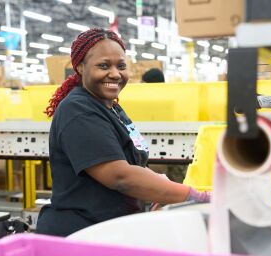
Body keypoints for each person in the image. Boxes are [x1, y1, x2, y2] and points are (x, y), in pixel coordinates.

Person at [36, 28, 210, 237]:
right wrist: (193, 196)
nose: (115, 74)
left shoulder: (112, 108)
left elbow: (134, 162)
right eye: (103, 66)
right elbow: (120, 176)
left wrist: (158, 187)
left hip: (110, 229)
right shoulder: (77, 110)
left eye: (121, 66)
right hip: (81, 234)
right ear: (81, 67)